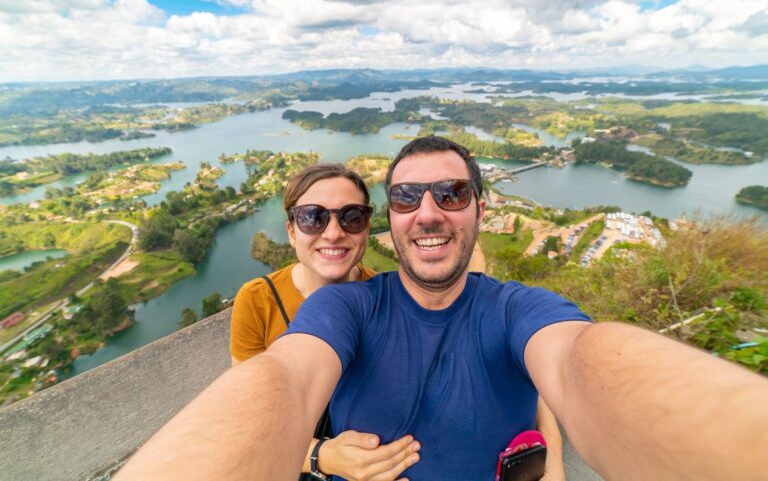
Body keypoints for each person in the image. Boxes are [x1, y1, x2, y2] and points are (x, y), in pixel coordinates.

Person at [116, 136, 768, 481]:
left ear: (482, 210)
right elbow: (277, 385)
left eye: (452, 193)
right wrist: (317, 458)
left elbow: (574, 363)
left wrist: (557, 457)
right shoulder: (345, 309)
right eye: (408, 198)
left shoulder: (518, 308)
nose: (428, 211)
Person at [230, 162, 564, 480]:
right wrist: (323, 457)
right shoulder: (259, 300)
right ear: (291, 230)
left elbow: (514, 360)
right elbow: (246, 420)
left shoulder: (390, 298)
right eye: (312, 218)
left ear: (368, 227)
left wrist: (554, 462)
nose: (333, 233)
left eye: (352, 217)